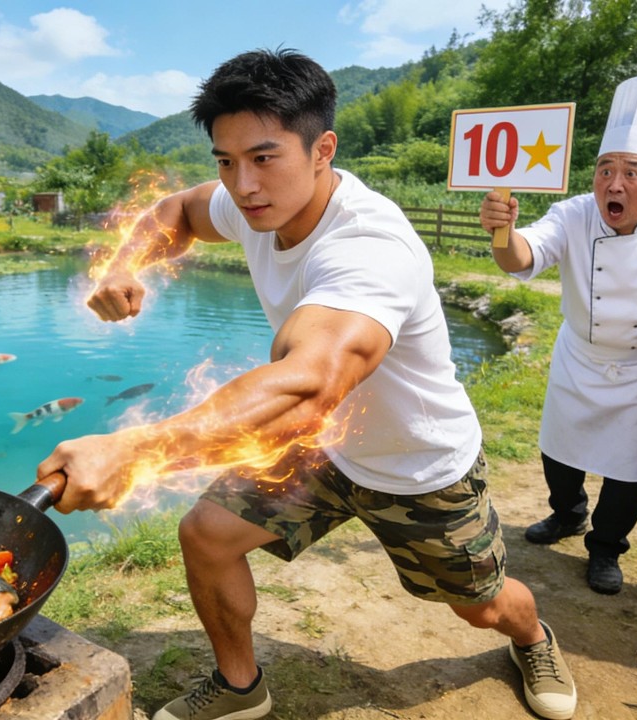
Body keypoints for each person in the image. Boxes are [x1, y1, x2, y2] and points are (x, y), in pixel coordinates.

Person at [37, 49, 577, 720]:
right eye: (225, 162)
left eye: (264, 157)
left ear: (323, 149)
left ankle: (534, 637)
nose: (243, 184)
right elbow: (175, 211)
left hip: (418, 464)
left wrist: (135, 450)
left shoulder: (370, 246)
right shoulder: (250, 204)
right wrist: (125, 263)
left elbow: (309, 383)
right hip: (324, 448)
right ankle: (241, 688)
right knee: (207, 533)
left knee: (483, 606)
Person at [477, 75, 637, 595]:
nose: (615, 184)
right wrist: (502, 230)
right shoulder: (573, 214)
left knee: (629, 467)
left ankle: (606, 547)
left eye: (631, 171)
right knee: (559, 449)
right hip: (579, 354)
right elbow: (522, 257)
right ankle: (567, 513)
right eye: (606, 170)